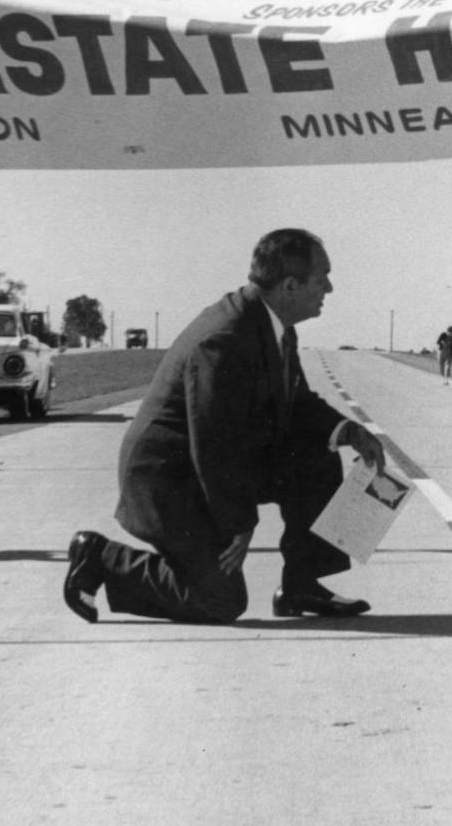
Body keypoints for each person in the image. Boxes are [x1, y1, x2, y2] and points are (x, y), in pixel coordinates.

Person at [61, 228, 387, 625]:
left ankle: (302, 586)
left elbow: (296, 403)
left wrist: (348, 431)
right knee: (219, 600)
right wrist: (239, 524)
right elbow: (212, 442)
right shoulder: (226, 337)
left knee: (316, 457)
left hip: (207, 467)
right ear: (289, 285)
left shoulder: (272, 324)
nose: (330, 288)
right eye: (322, 278)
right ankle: (101, 557)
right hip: (170, 481)